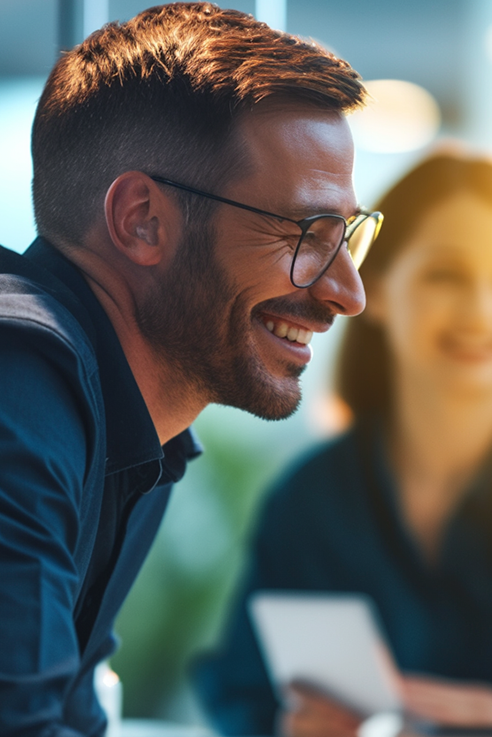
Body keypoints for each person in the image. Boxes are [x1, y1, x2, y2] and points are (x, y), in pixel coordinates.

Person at [0, 2, 385, 734]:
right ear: (143, 219)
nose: (347, 293)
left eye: (350, 238)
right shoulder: (20, 391)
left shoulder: (131, 432)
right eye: (306, 233)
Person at [192, 148, 492, 736]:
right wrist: (290, 726)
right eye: (446, 276)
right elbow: (240, 692)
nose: (480, 310)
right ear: (372, 288)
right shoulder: (312, 501)